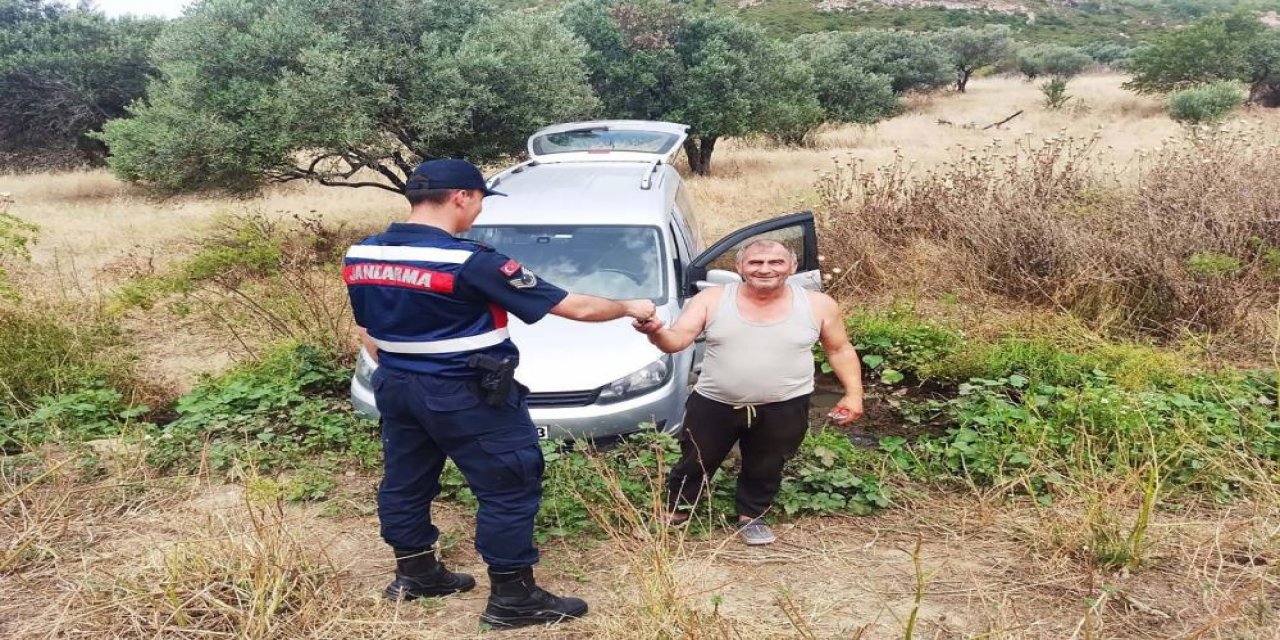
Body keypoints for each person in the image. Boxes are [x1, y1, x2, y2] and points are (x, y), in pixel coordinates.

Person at [344, 159, 655, 628]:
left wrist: (406, 369)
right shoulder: (470, 260)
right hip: (465, 391)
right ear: (461, 197)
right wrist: (632, 305)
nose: (478, 211)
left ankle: (417, 572)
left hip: (397, 385)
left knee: (407, 478)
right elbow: (579, 307)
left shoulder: (362, 253)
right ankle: (514, 598)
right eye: (480, 200)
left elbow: (368, 328)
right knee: (510, 484)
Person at [633, 239, 863, 545]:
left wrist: (854, 393)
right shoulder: (711, 299)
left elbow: (839, 349)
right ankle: (676, 513)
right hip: (715, 402)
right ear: (739, 267)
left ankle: (751, 516)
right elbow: (676, 340)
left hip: (785, 404)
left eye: (776, 262)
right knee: (695, 459)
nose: (765, 269)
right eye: (755, 263)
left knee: (768, 463)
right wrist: (656, 332)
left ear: (792, 267)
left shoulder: (819, 304)